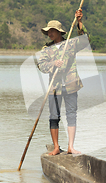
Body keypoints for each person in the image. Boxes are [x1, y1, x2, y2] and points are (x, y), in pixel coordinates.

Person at [37, 9, 89, 156]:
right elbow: (41, 66)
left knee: (71, 114)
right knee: (54, 116)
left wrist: (79, 22)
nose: (50, 33)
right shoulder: (46, 49)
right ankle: (55, 147)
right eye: (48, 31)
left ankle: (71, 147)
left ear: (59, 32)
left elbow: (85, 40)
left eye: (52, 31)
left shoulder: (71, 45)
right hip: (55, 87)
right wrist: (54, 63)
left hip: (71, 85)